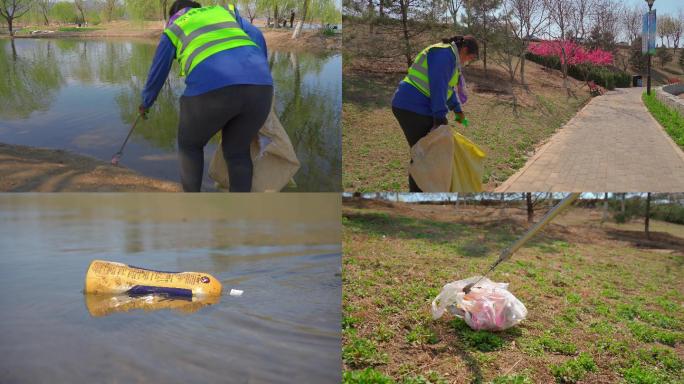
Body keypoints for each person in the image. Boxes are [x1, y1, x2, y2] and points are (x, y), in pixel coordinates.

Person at [140, 0, 273, 192]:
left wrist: (146, 103)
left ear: (173, 15)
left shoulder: (175, 26)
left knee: (190, 145)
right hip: (261, 86)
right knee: (237, 152)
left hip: (210, 90)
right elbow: (257, 35)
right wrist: (258, 72)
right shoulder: (224, 12)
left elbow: (158, 71)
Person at [391, 35, 479, 192]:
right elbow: (437, 87)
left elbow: (448, 90)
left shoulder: (450, 60)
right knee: (424, 155)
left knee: (424, 153)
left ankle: (422, 192)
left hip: (415, 107)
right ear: (464, 50)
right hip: (411, 107)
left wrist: (458, 111)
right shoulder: (444, 55)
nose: (468, 62)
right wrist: (440, 118)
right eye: (470, 58)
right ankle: (419, 194)